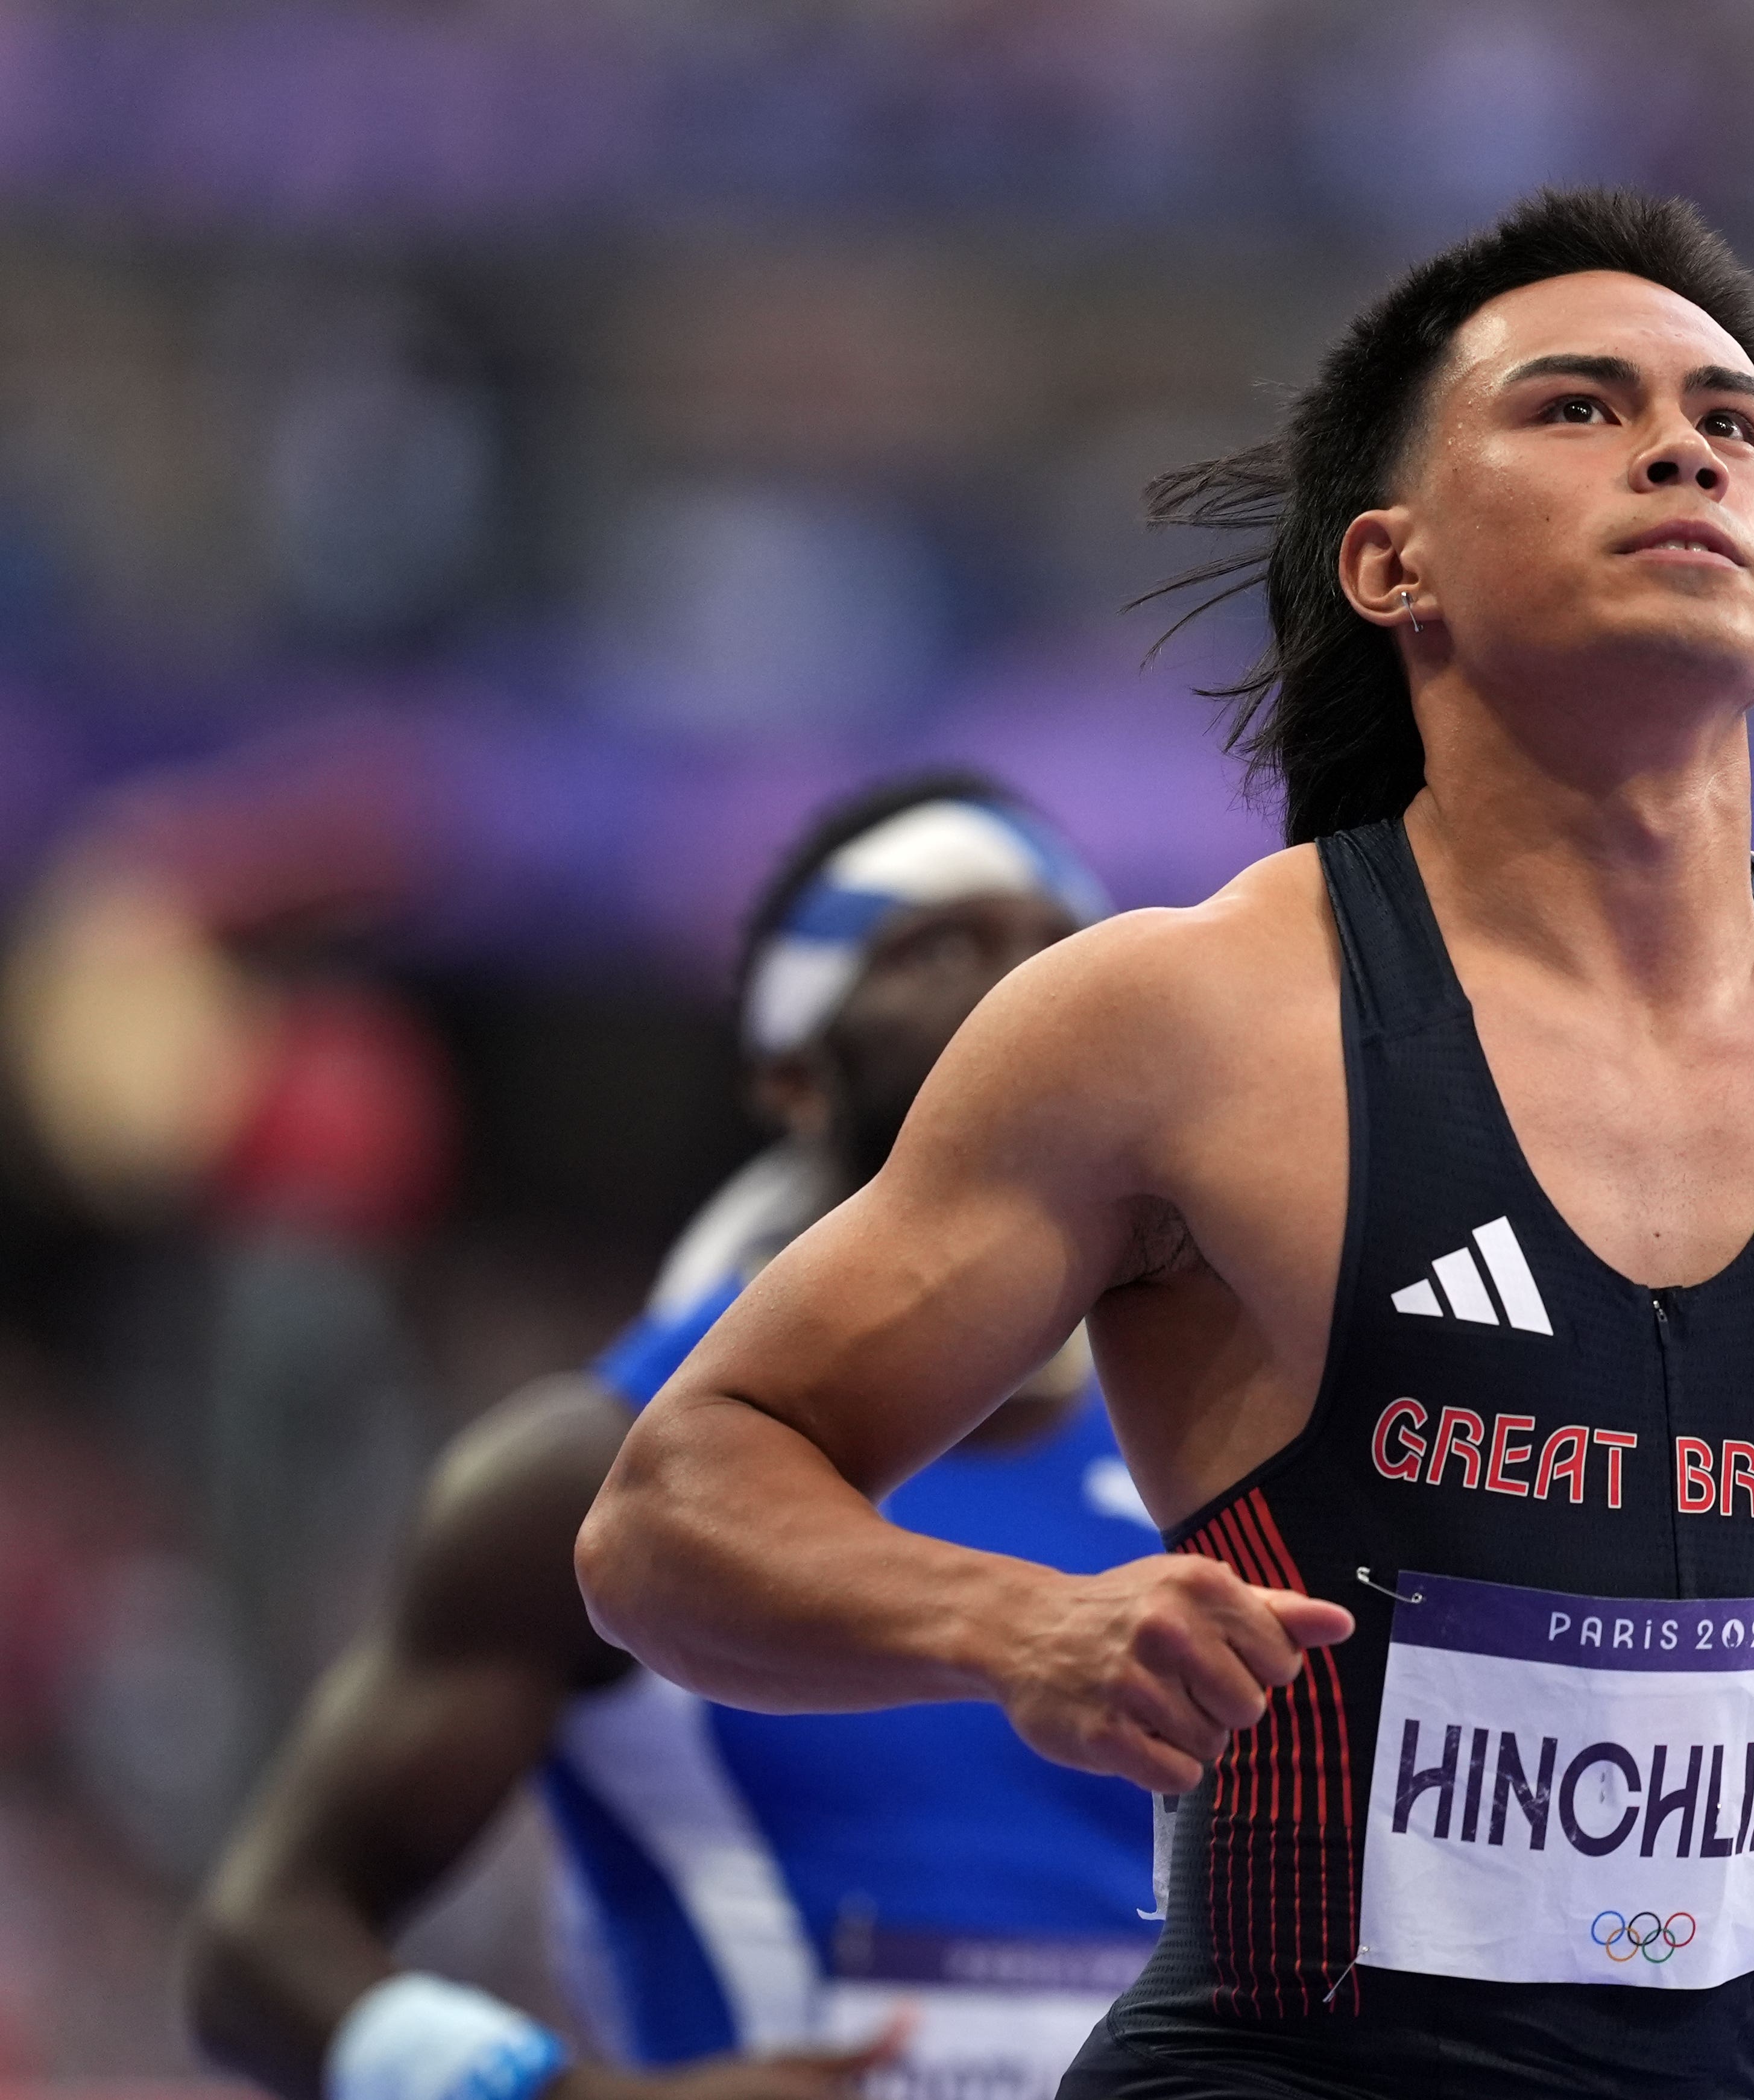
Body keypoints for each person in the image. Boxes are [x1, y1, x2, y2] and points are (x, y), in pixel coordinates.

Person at [575, 188, 1754, 2098]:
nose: (1686, 442)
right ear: (1395, 564)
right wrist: (1014, 1621)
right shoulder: (1187, 1023)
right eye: (1579, 408)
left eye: (1735, 419)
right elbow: (670, 1508)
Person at [187, 771, 1165, 2100]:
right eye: (940, 945)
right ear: (790, 1070)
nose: (1020, 993)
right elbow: (258, 1945)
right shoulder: (589, 1470)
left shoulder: (1203, 1454)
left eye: (1060, 952)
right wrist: (561, 2098)